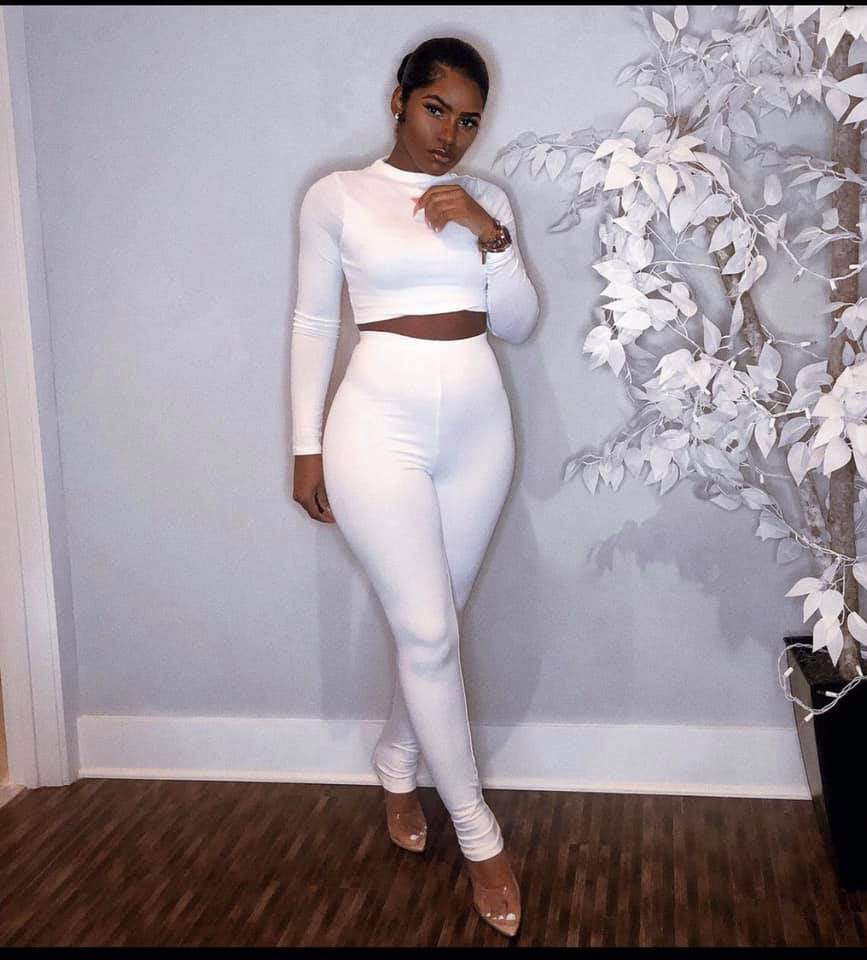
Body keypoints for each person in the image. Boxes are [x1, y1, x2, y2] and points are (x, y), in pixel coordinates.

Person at [289, 37, 539, 938]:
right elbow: (314, 323)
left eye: (469, 120)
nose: (451, 135)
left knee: (435, 627)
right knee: (429, 633)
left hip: (480, 431)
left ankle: (396, 761)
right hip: (375, 429)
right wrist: (305, 447)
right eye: (437, 110)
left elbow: (518, 324)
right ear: (399, 99)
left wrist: (489, 232)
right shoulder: (339, 196)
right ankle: (480, 837)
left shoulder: (487, 202)